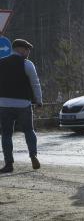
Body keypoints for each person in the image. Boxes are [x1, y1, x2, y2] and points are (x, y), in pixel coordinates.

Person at [0, 39, 42, 173]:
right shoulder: (27, 64)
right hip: (23, 104)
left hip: (4, 104)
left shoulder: (1, 63)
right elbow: (35, 84)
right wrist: (39, 100)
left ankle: (9, 164)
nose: (28, 52)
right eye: (27, 49)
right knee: (29, 130)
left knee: (6, 134)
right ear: (20, 49)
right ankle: (33, 155)